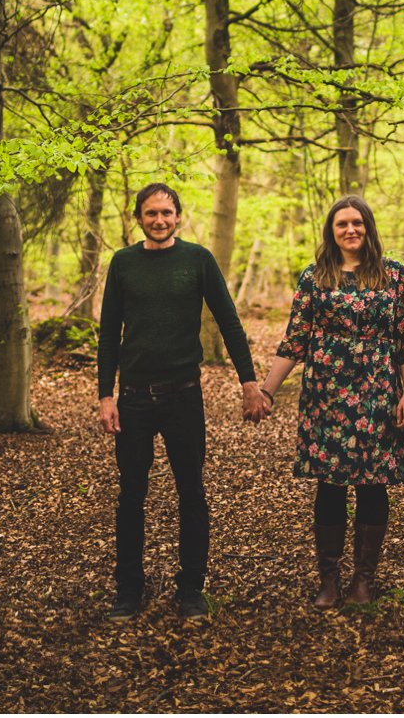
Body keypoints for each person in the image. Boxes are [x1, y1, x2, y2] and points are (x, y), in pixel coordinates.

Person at [96, 183, 265, 621]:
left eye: (166, 213)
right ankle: (128, 591)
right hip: (133, 399)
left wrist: (248, 382)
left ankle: (191, 589)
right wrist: (105, 395)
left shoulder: (197, 260)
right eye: (151, 213)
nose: (159, 220)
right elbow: (108, 332)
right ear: (138, 218)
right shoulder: (123, 264)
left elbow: (228, 320)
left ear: (178, 216)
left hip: (184, 397)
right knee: (131, 496)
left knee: (192, 492)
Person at [256, 195, 404, 608]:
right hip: (327, 396)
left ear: (368, 227)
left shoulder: (393, 276)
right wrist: (266, 391)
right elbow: (294, 341)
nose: (350, 230)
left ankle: (364, 580)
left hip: (377, 395)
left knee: (372, 486)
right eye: (341, 224)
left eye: (357, 223)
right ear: (331, 232)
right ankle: (328, 580)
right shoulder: (314, 278)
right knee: (329, 487)